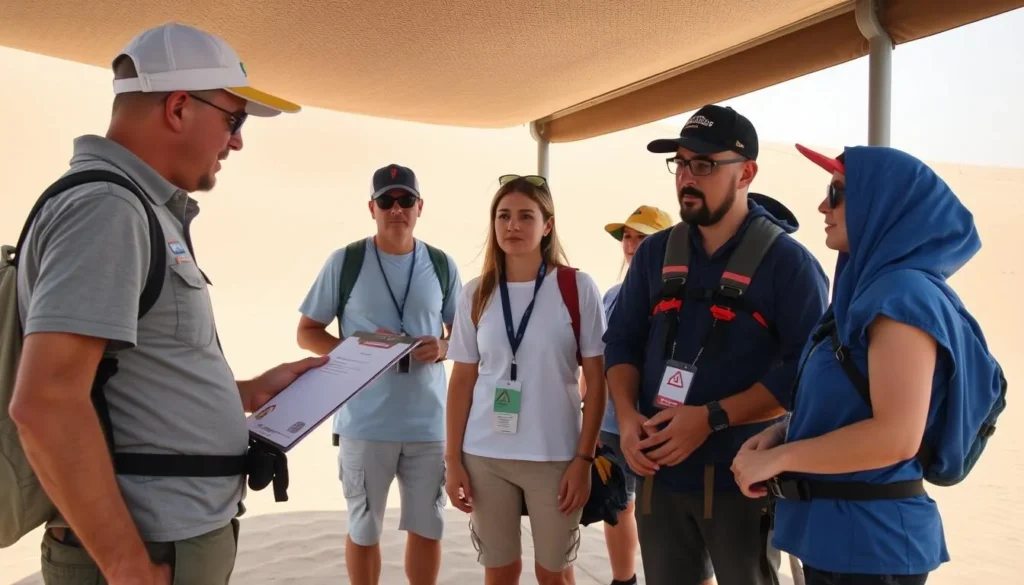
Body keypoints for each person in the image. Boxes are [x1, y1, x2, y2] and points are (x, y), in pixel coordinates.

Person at [6, 22, 324, 585]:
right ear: (179, 108)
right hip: (147, 546)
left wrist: (246, 393)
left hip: (166, 538)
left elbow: (123, 380)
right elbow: (47, 402)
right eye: (234, 119)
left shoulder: (129, 207)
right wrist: (128, 565)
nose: (237, 141)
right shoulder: (108, 210)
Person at [732, 144, 1006, 585]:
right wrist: (778, 434)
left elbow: (895, 436)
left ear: (883, 203)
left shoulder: (901, 298)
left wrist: (779, 458)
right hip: (842, 539)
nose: (823, 205)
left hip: (870, 549)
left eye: (837, 192)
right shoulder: (867, 291)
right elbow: (849, 401)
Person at [602, 104, 830, 585]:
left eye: (704, 165)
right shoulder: (655, 255)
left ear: (746, 172)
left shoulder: (789, 266)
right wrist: (625, 420)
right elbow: (620, 343)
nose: (687, 176)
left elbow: (805, 372)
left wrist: (712, 418)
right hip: (657, 476)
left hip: (741, 481)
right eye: (681, 163)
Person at [296, 163, 462, 585]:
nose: (396, 209)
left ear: (420, 206)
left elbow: (465, 336)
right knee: (364, 527)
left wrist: (444, 347)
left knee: (428, 526)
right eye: (386, 201)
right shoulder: (346, 260)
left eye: (405, 200)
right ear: (371, 208)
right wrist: (356, 356)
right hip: (365, 423)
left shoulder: (441, 264)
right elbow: (307, 333)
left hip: (429, 424)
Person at [444, 174, 608, 585]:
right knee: (499, 572)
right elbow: (462, 381)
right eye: (503, 216)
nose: (512, 226)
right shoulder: (476, 293)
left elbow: (598, 381)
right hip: (484, 456)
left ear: (547, 225)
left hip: (556, 457)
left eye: (524, 216)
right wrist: (452, 462)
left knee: (553, 573)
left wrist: (584, 460)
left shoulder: (576, 287)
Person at [588, 205, 673, 585]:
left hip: (660, 424)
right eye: (628, 237)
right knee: (615, 504)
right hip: (610, 421)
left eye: (644, 237)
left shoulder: (678, 296)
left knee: (666, 514)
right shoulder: (612, 294)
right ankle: (624, 580)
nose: (633, 245)